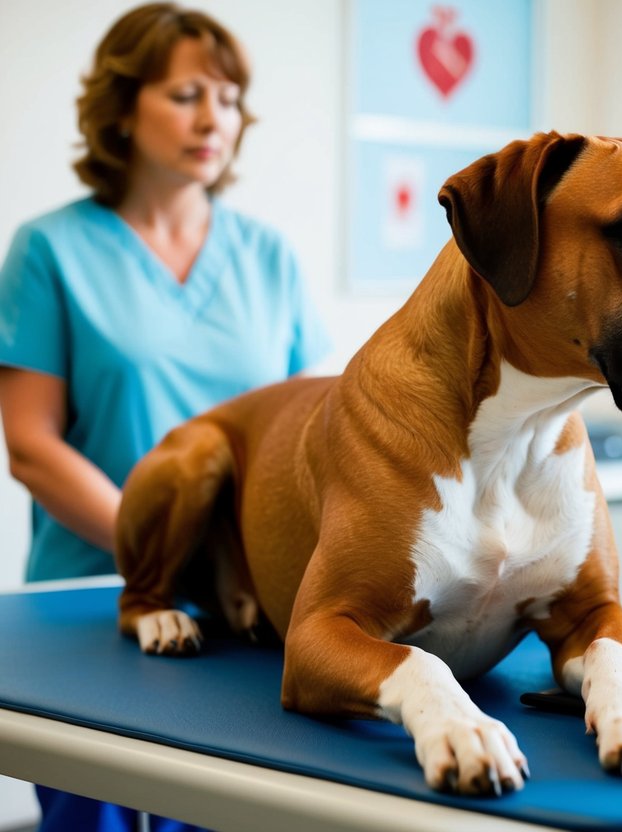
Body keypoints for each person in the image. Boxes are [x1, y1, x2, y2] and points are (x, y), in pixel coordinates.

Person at [0, 4, 330, 829]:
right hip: (95, 595)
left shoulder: (268, 257)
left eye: (227, 98)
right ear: (121, 107)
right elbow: (31, 446)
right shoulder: (49, 251)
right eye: (186, 94)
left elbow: (309, 446)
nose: (214, 117)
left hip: (242, 616)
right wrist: (162, 561)